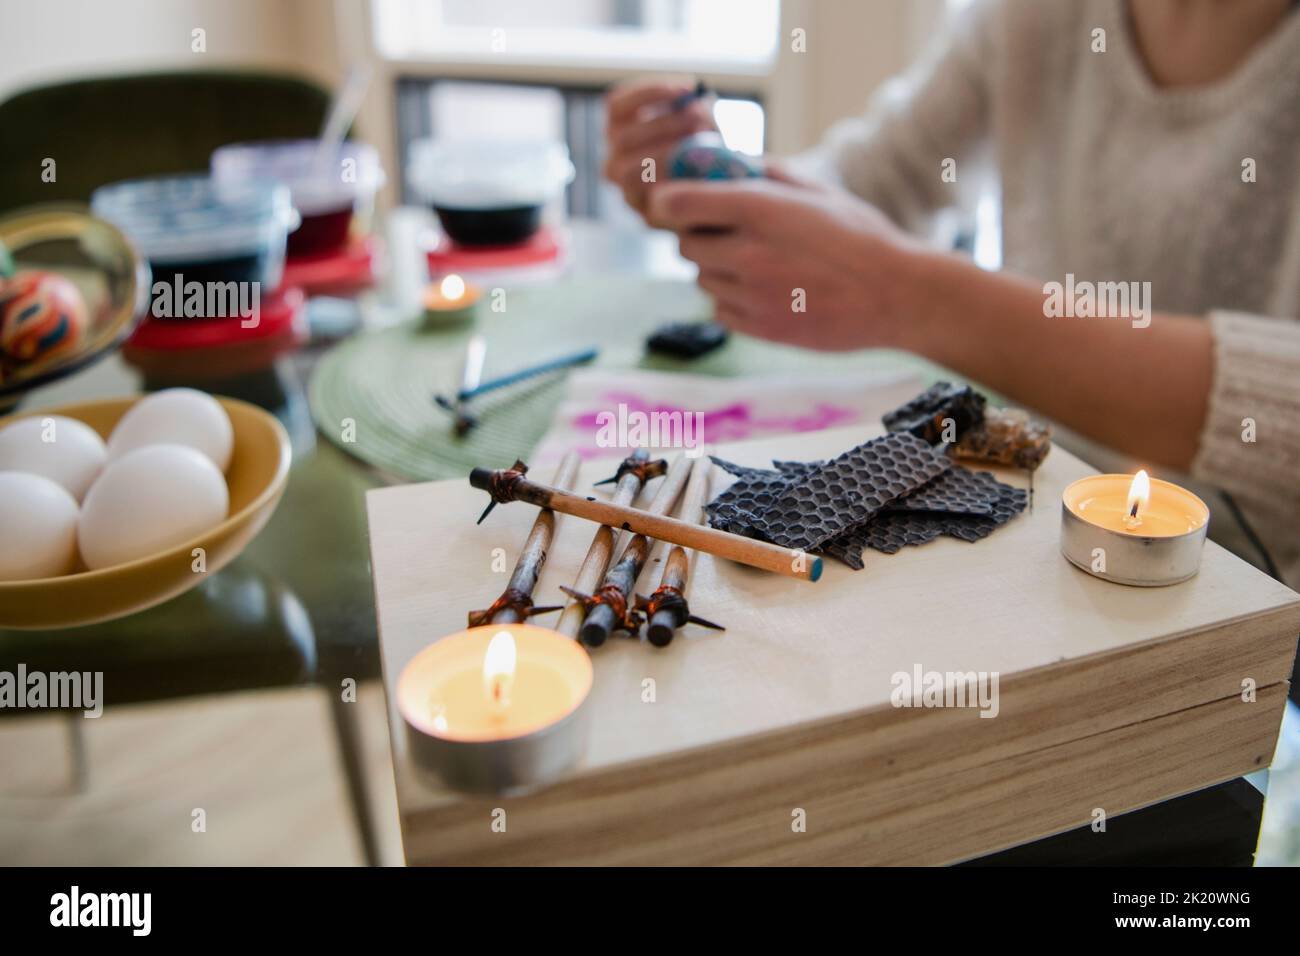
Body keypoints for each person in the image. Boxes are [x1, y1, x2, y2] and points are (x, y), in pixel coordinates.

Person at [604, 0, 1300, 589]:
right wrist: (721, 190)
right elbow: (879, 180)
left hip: (1262, 593)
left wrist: (916, 296)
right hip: (1038, 526)